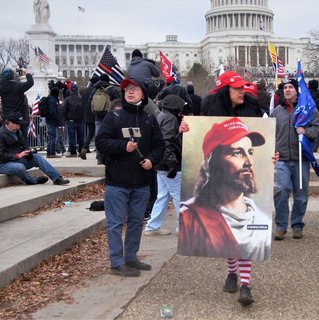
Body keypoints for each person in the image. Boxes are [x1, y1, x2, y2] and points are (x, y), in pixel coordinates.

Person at [184, 71, 267, 306]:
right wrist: (185, 128)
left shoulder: (252, 106)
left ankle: (245, 284)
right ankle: (232, 272)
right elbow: (194, 128)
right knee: (229, 233)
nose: (243, 90)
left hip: (239, 205)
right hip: (214, 198)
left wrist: (273, 156)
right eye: (237, 88)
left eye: (249, 152)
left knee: (242, 234)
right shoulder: (192, 217)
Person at [95, 77, 164, 277]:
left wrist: (152, 160)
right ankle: (116, 262)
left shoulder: (149, 119)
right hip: (117, 182)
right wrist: (122, 147)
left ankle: (131, 257)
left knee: (136, 222)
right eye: (127, 89)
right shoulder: (114, 117)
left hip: (141, 182)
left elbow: (159, 147)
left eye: (135, 89)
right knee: (116, 224)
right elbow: (101, 142)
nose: (130, 92)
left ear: (143, 93)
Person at [271, 78, 319, 241]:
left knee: (300, 195)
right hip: (283, 159)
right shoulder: (277, 112)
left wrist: (306, 131)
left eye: (290, 87)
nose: (287, 90)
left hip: (301, 158)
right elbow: (271, 133)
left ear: (296, 90)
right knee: (281, 190)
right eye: (285, 87)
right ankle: (280, 226)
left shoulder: (307, 109)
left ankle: (297, 225)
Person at [144, 94, 185, 236]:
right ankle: (184, 228)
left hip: (161, 163)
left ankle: (152, 226)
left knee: (163, 196)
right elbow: (168, 141)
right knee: (179, 196)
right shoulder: (171, 119)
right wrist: (172, 163)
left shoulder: (162, 116)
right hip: (169, 164)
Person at [0, 113, 69, 185]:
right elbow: (1, 155)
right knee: (20, 167)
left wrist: (28, 153)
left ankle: (57, 178)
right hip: (3, 164)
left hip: (15, 160)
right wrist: (17, 155)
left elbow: (23, 146)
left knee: (37, 157)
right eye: (17, 124)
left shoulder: (18, 132)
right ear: (10, 123)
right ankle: (33, 181)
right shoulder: (1, 134)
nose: (19, 126)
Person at [0, 67, 34, 143]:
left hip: (7, 118)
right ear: (12, 76)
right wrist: (27, 73)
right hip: (19, 117)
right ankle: (25, 153)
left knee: (6, 140)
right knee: (23, 139)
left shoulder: (1, 87)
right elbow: (30, 82)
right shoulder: (18, 86)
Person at [79, 75, 99, 160]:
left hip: (87, 116)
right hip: (96, 114)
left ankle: (84, 147)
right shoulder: (97, 90)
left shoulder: (85, 91)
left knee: (90, 133)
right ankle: (99, 152)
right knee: (99, 133)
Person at [63, 85, 84, 157]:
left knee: (72, 138)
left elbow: (64, 110)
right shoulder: (81, 99)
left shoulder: (67, 99)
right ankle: (81, 150)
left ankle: (73, 152)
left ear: (71, 90)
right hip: (80, 120)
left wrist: (66, 118)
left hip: (71, 120)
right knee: (81, 137)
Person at [45, 87, 61, 158]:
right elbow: (52, 112)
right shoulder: (52, 100)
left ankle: (49, 152)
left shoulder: (49, 99)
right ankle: (52, 153)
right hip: (52, 121)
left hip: (49, 121)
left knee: (50, 137)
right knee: (52, 137)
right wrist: (57, 120)